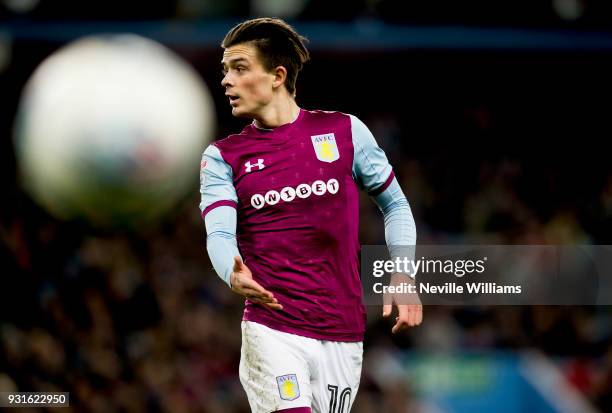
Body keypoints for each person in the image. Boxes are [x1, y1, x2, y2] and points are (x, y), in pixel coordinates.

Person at [199, 17, 421, 413]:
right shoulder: (223, 158)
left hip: (343, 332)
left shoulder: (344, 132)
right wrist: (230, 271)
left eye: (240, 68)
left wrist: (402, 274)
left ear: (277, 76)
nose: (226, 81)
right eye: (225, 71)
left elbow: (396, 205)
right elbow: (219, 235)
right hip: (273, 329)